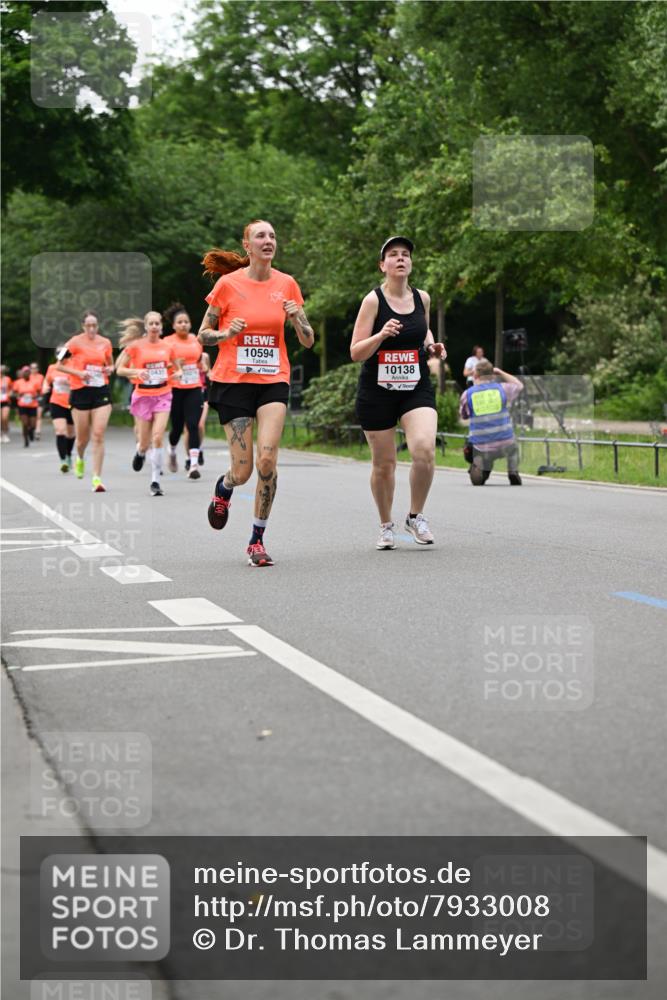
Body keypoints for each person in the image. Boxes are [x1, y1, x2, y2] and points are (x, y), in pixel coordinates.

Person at [198, 218, 314, 566]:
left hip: (272, 380)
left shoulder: (287, 285)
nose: (268, 240)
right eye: (260, 236)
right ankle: (225, 488)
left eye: (273, 236)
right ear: (247, 246)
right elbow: (203, 334)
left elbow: (308, 342)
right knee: (244, 471)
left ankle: (257, 539)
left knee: (267, 459)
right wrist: (224, 334)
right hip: (233, 382)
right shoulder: (226, 285)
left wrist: (297, 319)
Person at [350, 236, 446, 551]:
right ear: (383, 265)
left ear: (411, 264)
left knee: (424, 450)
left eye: (405, 254)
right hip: (377, 391)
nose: (401, 259)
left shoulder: (423, 298)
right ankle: (385, 525)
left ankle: (415, 516)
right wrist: (381, 334)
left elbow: (424, 330)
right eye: (393, 255)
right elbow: (356, 352)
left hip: (414, 386)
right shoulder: (373, 301)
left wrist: (432, 345)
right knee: (384, 463)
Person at [116, 311, 182, 496]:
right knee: (144, 443)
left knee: (158, 436)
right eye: (151, 323)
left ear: (161, 327)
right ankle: (140, 452)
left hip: (163, 394)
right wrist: (136, 372)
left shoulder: (168, 347)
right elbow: (119, 369)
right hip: (143, 395)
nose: (154, 326)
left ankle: (155, 481)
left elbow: (178, 369)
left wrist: (178, 374)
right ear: (145, 327)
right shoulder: (136, 346)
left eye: (157, 323)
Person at [56, 310, 114, 492]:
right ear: (83, 326)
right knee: (82, 439)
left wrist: (109, 369)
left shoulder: (105, 343)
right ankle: (79, 457)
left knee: (98, 434)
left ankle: (97, 478)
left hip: (100, 391)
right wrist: (79, 373)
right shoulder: (73, 342)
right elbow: (59, 365)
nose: (91, 329)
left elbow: (110, 364)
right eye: (88, 325)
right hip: (80, 392)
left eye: (94, 325)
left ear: (98, 326)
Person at [162, 302, 209, 479]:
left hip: (194, 387)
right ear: (173, 325)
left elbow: (198, 361)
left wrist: (202, 365)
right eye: (179, 322)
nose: (183, 324)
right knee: (176, 428)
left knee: (194, 425)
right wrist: (174, 366)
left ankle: (194, 464)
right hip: (175, 389)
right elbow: (162, 364)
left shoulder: (196, 341)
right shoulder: (167, 342)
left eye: (186, 322)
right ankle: (172, 451)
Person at [459, 358, 523, 485]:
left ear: (475, 375)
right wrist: (500, 372)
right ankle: (512, 470)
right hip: (505, 441)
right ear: (493, 375)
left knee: (471, 448)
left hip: (480, 445)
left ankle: (479, 467)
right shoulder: (502, 389)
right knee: (514, 448)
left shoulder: (468, 394)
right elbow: (519, 386)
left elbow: (464, 416)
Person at [42, 351, 75, 472]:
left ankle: (69, 454)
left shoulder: (73, 366)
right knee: (61, 431)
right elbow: (47, 380)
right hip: (56, 402)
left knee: (71, 434)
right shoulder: (52, 368)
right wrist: (45, 386)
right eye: (58, 354)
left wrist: (70, 383)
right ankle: (63, 460)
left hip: (73, 403)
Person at [12, 365, 41, 447]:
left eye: (28, 372)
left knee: (33, 425)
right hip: (22, 405)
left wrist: (34, 396)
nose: (26, 374)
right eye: (25, 372)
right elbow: (13, 393)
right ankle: (25, 440)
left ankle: (31, 432)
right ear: (22, 373)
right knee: (25, 423)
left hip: (33, 405)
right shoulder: (18, 382)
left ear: (30, 373)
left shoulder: (35, 382)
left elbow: (39, 393)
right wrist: (19, 395)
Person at [29, 362, 45, 439]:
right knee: (32, 416)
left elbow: (44, 386)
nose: (34, 369)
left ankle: (38, 431)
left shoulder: (41, 377)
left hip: (39, 397)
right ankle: (32, 428)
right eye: (32, 368)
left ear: (38, 369)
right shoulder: (28, 377)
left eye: (35, 368)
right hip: (30, 398)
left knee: (39, 415)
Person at [1, 366, 12, 442]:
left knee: (5, 418)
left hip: (5, 401)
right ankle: (1, 434)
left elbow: (11, 389)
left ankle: (5, 434)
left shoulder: (7, 379)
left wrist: (9, 394)